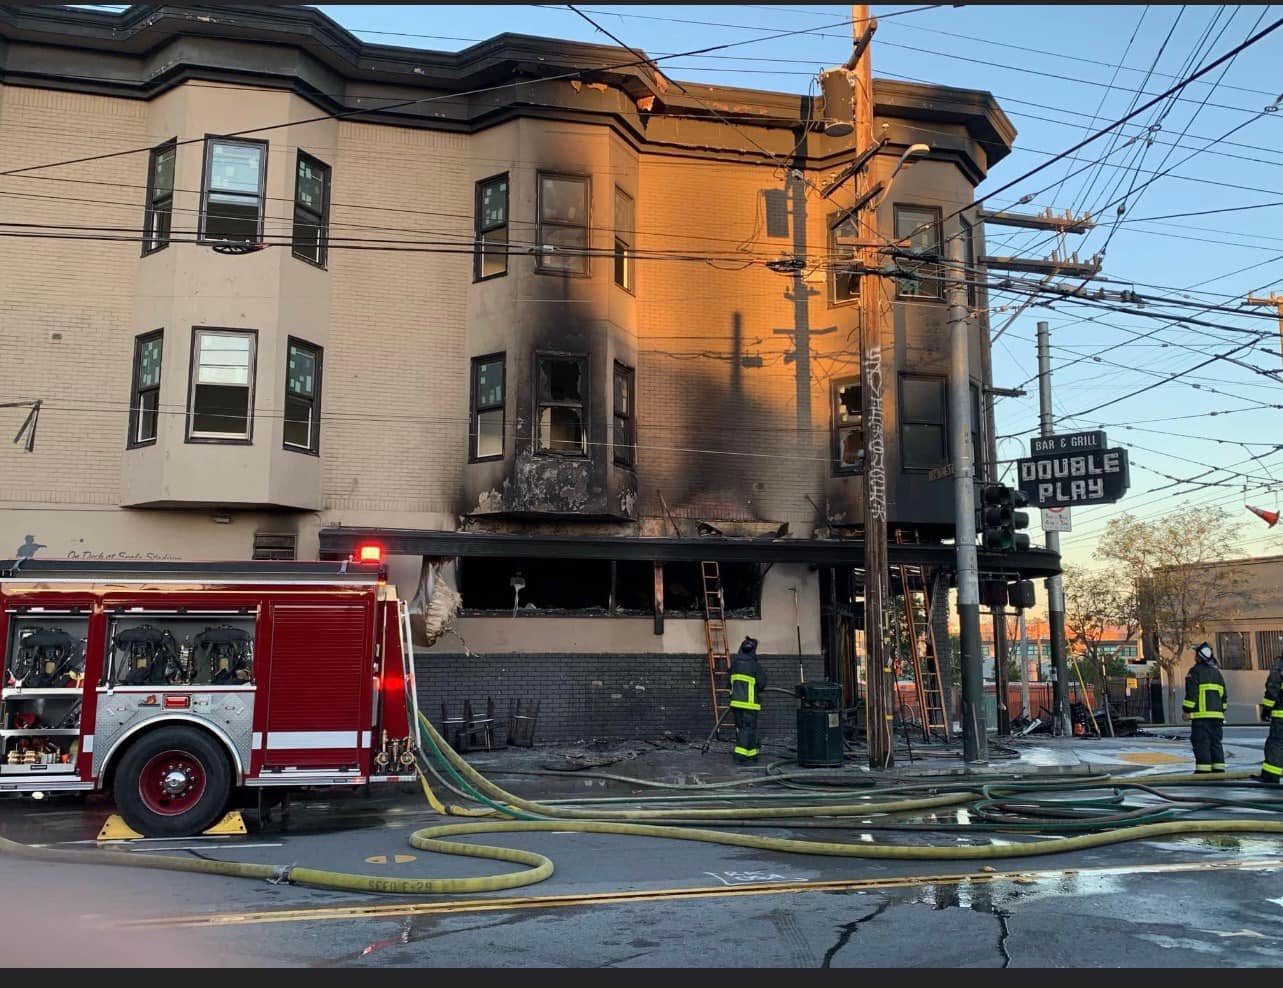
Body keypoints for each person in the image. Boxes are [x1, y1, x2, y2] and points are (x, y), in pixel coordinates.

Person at [1182, 641, 1227, 774]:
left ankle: (1203, 772)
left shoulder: (1195, 672)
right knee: (1216, 743)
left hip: (1201, 718)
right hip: (1217, 717)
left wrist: (1186, 710)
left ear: (1199, 657)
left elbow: (1192, 694)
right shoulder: (1217, 673)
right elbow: (1224, 696)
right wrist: (1221, 711)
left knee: (1202, 743)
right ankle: (1219, 770)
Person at [728, 636, 766, 765]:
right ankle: (741, 755)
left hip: (735, 703)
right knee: (748, 728)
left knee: (742, 728)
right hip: (749, 704)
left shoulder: (735, 664)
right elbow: (762, 684)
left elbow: (729, 682)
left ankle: (751, 753)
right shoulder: (754, 666)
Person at [1258, 653, 1283, 785]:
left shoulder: (1279, 667)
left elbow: (1272, 690)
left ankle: (1271, 776)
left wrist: (1266, 710)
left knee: (1276, 744)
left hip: (1281, 716)